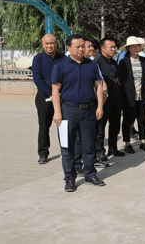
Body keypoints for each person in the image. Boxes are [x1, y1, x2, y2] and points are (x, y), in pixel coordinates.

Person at [51, 34, 105, 192]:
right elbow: (55, 89)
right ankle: (69, 177)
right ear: (69, 48)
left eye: (83, 46)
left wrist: (100, 106)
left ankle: (90, 173)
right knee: (67, 146)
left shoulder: (91, 65)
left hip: (88, 110)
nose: (82, 49)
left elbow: (99, 86)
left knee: (88, 145)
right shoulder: (60, 66)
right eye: (78, 46)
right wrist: (57, 112)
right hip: (68, 111)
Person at [32, 34, 65, 164]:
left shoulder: (63, 58)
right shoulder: (38, 59)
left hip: (62, 97)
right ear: (42, 44)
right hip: (44, 97)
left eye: (52, 43)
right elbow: (38, 79)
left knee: (63, 126)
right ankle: (43, 153)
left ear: (56, 44)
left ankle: (65, 151)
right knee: (44, 126)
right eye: (47, 44)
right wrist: (50, 94)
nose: (50, 46)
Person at [118, 36, 145, 154]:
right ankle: (127, 143)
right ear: (128, 48)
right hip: (128, 96)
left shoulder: (143, 60)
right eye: (132, 46)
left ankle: (142, 141)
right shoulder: (123, 62)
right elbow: (121, 81)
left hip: (142, 95)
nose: (135, 48)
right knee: (128, 120)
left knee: (142, 119)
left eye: (137, 46)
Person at [94, 37, 125, 160]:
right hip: (104, 99)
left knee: (115, 124)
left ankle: (113, 148)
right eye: (110, 47)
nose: (113, 49)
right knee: (101, 126)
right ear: (102, 48)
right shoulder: (97, 62)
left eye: (114, 47)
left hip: (115, 97)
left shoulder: (113, 62)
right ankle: (99, 151)